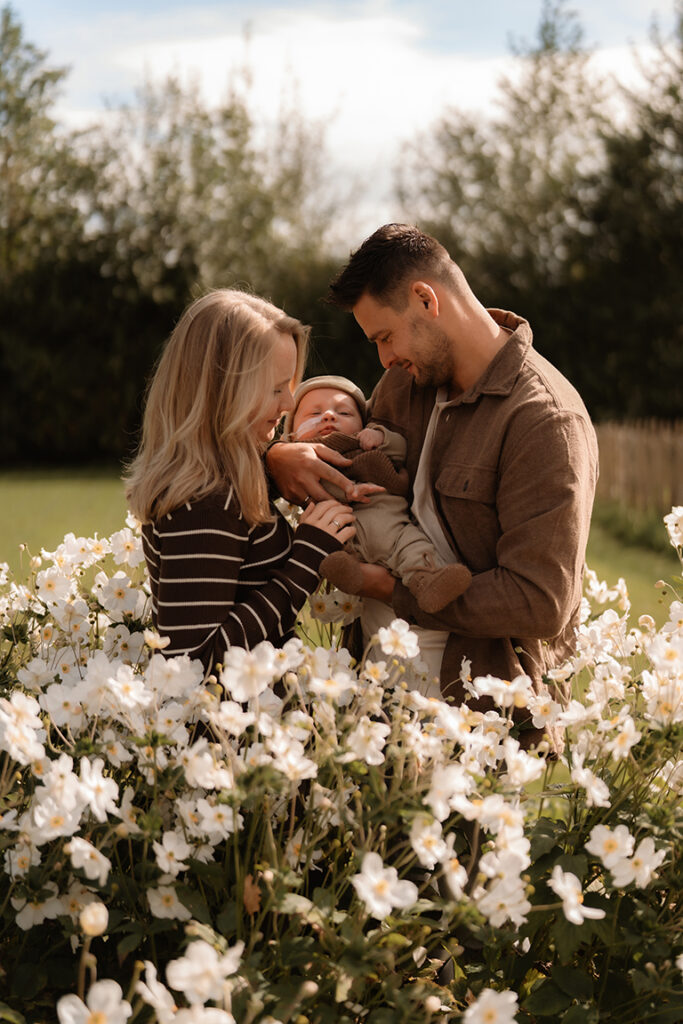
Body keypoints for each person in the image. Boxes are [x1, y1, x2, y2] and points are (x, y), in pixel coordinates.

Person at [266, 224, 599, 730]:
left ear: (426, 299)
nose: (384, 358)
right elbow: (340, 458)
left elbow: (540, 601)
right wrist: (277, 457)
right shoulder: (404, 383)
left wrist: (392, 590)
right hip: (369, 699)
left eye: (385, 337)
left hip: (476, 720)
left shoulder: (545, 420)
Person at [124, 289, 355, 676]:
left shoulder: (223, 480)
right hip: (232, 715)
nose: (289, 404)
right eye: (276, 389)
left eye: (290, 386)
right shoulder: (205, 503)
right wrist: (306, 561)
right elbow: (192, 665)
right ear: (222, 390)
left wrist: (273, 460)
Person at [283, 374, 472, 616]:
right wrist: (345, 489)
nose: (329, 416)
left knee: (412, 548)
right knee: (332, 557)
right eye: (314, 413)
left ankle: (427, 582)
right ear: (292, 437)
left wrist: (380, 436)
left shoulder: (363, 444)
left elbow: (399, 449)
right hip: (343, 537)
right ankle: (351, 574)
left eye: (344, 413)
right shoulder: (305, 464)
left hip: (391, 527)